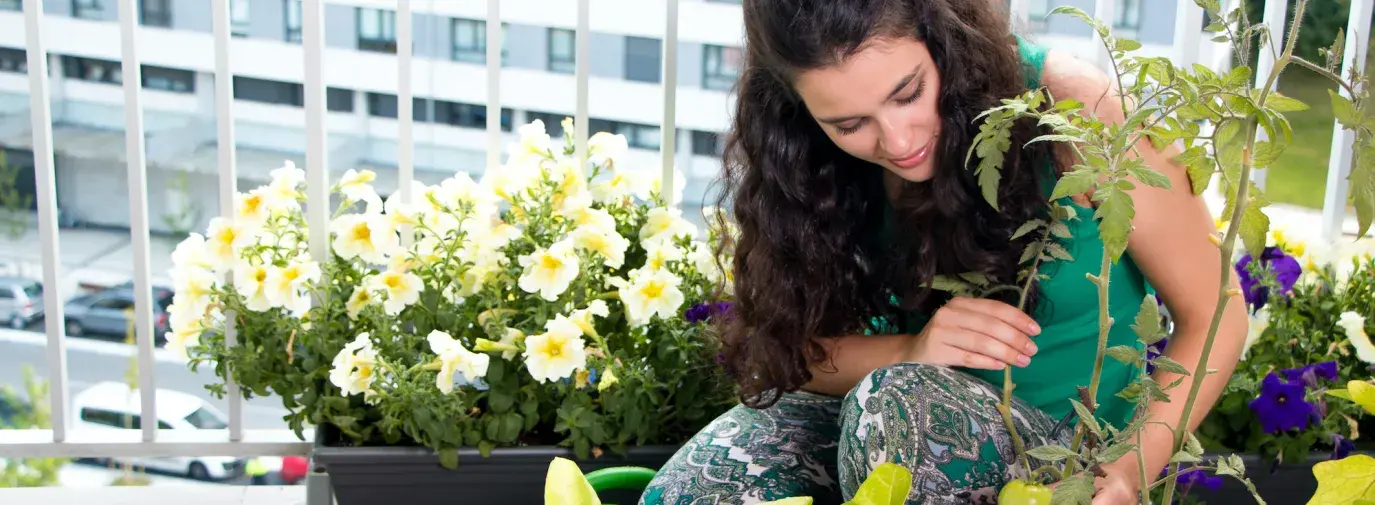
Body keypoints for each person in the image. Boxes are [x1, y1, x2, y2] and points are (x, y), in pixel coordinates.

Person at [640, 0, 1249, 503]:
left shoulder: (1076, 113)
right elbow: (789, 349)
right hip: (884, 429)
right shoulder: (802, 154)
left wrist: (1131, 469)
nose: (898, 142)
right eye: (850, 125)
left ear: (945, 40)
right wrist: (911, 349)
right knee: (695, 490)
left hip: (1067, 459)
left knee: (897, 404)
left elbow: (1217, 313)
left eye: (909, 93)